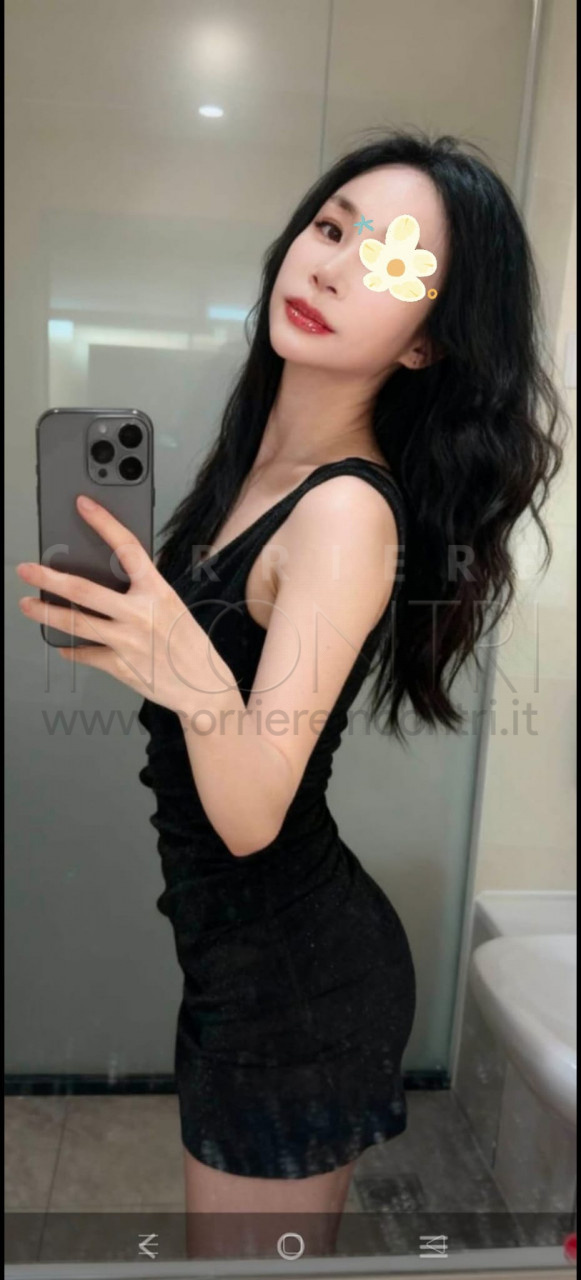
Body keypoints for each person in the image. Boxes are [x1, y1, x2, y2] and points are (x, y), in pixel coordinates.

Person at [136, 126, 569, 1254]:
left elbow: (248, 809)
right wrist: (139, 641)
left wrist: (169, 653)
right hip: (241, 957)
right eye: (331, 228)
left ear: (425, 342)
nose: (332, 267)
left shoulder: (341, 509)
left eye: (387, 263)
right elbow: (212, 706)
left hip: (294, 982)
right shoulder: (253, 467)